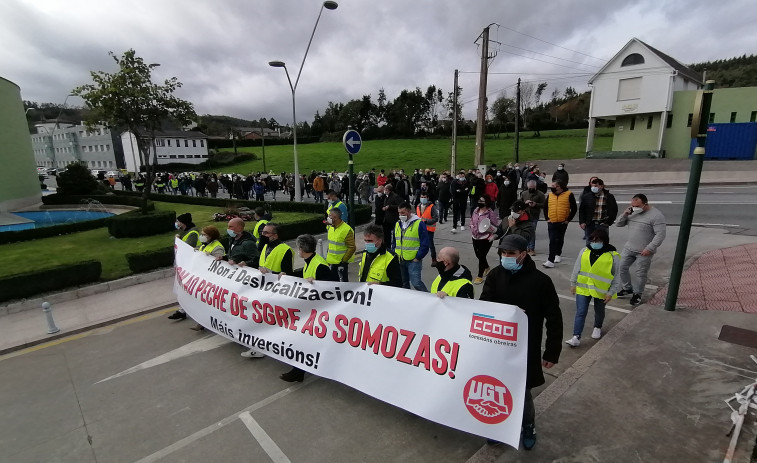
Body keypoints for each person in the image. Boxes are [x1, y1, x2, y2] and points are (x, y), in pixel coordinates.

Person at [480, 234, 562, 451]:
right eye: (503, 253)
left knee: (522, 393)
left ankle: (528, 426)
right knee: (496, 389)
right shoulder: (495, 275)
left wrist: (552, 352)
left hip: (526, 348)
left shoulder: (541, 281)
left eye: (511, 254)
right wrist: (508, 313)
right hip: (497, 346)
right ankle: (500, 426)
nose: (506, 257)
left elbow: (554, 317)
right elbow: (484, 305)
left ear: (523, 255)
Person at [276, 234, 338, 382]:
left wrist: (317, 282)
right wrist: (288, 276)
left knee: (305, 341)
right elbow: (305, 275)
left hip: (319, 312)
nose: (298, 251)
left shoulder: (319, 265)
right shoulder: (310, 261)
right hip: (312, 310)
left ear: (302, 249)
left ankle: (299, 371)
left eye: (298, 248)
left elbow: (334, 285)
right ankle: (299, 371)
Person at [241, 222, 294, 359]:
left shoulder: (285, 250)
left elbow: (288, 275)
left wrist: (271, 273)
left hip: (275, 292)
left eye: (266, 233)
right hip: (262, 289)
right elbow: (260, 264)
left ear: (274, 235)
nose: (262, 235)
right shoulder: (265, 247)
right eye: (262, 232)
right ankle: (260, 346)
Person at [565, 228, 621, 347]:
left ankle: (597, 327)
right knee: (581, 312)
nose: (595, 243)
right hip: (583, 287)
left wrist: (611, 292)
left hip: (601, 290)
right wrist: (573, 283)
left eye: (598, 240)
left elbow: (616, 276)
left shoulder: (613, 256)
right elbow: (577, 268)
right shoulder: (585, 251)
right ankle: (576, 336)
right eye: (593, 240)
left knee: (599, 311)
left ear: (604, 241)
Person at [615, 193, 667, 306]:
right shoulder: (631, 212)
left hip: (644, 251)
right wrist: (625, 214)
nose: (635, 208)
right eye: (633, 206)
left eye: (637, 206)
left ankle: (637, 294)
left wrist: (650, 248)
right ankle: (627, 287)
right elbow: (618, 224)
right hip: (629, 247)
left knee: (640, 273)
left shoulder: (656, 216)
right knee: (621, 267)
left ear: (645, 204)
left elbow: (660, 235)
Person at [189, 226, 227, 331]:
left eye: (204, 235)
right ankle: (201, 322)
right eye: (202, 234)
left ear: (211, 236)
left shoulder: (217, 247)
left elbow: (220, 264)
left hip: (213, 281)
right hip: (204, 279)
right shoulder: (204, 245)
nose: (202, 236)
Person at [167, 213, 201, 321]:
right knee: (183, 289)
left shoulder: (193, 233)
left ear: (183, 222)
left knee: (188, 290)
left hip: (191, 267)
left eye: (178, 221)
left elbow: (186, 249)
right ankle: (182, 310)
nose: (177, 224)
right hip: (184, 266)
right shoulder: (185, 232)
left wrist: (179, 240)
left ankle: (186, 311)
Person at [393, 202, 430, 291]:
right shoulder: (398, 224)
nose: (400, 215)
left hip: (413, 260)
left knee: (416, 283)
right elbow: (394, 241)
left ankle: (428, 298)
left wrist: (418, 257)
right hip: (400, 258)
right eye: (399, 213)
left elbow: (425, 243)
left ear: (409, 212)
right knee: (404, 283)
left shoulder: (419, 224)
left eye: (403, 213)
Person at [542, 180, 577, 268]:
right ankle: (550, 260)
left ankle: (558, 254)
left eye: (554, 186)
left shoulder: (569, 194)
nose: (552, 187)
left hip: (562, 222)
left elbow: (574, 208)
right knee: (552, 240)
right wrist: (547, 219)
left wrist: (568, 220)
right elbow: (545, 207)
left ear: (559, 187)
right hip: (552, 221)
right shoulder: (550, 195)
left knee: (560, 238)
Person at [469, 197, 500, 284]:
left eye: (482, 201)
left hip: (485, 238)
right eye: (479, 200)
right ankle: (486, 267)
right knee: (478, 255)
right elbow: (472, 220)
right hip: (475, 237)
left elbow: (496, 225)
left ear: (486, 203)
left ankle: (480, 276)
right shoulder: (475, 211)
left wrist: (494, 235)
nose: (479, 202)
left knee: (482, 256)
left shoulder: (490, 213)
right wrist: (471, 226)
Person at [578, 178, 618, 244]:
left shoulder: (609, 196)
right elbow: (582, 210)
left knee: (603, 242)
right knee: (589, 242)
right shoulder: (587, 197)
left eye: (596, 186)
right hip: (590, 224)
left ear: (601, 186)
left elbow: (614, 209)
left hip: (602, 224)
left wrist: (609, 222)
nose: (593, 188)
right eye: (592, 186)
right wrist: (582, 222)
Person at [325, 209, 356, 282]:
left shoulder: (346, 230)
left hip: (341, 263)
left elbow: (352, 247)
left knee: (343, 284)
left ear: (335, 217)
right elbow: (330, 244)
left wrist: (343, 261)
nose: (328, 217)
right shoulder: (331, 227)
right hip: (332, 262)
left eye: (330, 215)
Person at [519, 180, 545, 256]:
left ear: (535, 187)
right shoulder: (524, 193)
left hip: (534, 215)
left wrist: (536, 204)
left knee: (532, 232)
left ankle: (531, 248)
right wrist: (525, 203)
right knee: (525, 232)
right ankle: (526, 247)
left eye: (532, 188)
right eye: (530, 188)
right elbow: (519, 203)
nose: (531, 189)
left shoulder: (540, 194)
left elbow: (544, 204)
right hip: (525, 215)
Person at [416, 192, 439, 266]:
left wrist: (426, 222)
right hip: (420, 228)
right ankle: (418, 257)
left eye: (424, 197)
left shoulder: (431, 207)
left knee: (430, 245)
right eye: (422, 197)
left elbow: (435, 218)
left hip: (429, 229)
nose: (423, 198)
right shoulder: (418, 206)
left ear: (427, 198)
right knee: (419, 244)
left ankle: (434, 259)